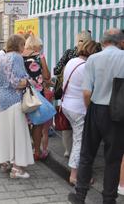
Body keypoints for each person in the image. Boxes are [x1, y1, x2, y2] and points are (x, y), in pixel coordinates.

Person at [68, 29, 124, 204]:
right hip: (118, 111)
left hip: (95, 108)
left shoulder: (93, 59)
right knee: (113, 158)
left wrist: (89, 109)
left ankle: (80, 195)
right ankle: (109, 199)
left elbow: (86, 92)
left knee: (87, 154)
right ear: (120, 42)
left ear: (103, 42)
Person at [0, 34, 34, 179]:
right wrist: (28, 81)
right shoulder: (17, 57)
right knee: (17, 133)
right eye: (23, 45)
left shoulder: (3, 58)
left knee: (4, 132)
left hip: (1, 99)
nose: (24, 48)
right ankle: (17, 168)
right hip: (13, 99)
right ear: (19, 45)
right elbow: (17, 81)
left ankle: (5, 162)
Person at [62, 40, 102, 185]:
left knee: (77, 139)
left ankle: (77, 171)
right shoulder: (86, 67)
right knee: (80, 141)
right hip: (79, 108)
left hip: (67, 105)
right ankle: (75, 175)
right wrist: (88, 109)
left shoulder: (72, 61)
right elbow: (87, 93)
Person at [54, 30, 92, 158]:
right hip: (82, 100)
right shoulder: (92, 55)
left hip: (67, 96)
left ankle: (67, 150)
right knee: (80, 131)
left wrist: (65, 73)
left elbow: (56, 69)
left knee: (67, 127)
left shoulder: (70, 53)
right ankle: (77, 158)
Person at [22, 35, 51, 161]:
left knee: (25, 123)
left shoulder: (20, 55)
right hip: (37, 95)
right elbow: (47, 76)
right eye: (40, 46)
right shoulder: (40, 56)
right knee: (37, 123)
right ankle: (37, 152)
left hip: (23, 93)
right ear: (36, 46)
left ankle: (26, 150)